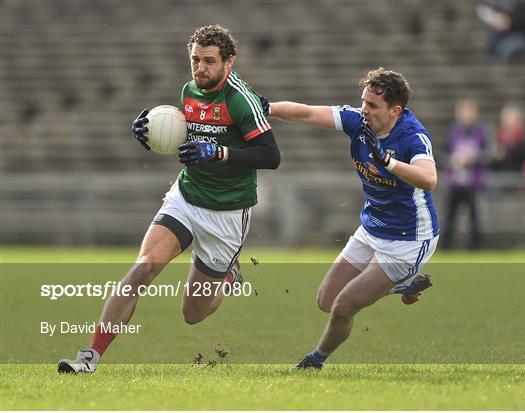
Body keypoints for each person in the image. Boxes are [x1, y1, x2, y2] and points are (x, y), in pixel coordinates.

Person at [58, 25, 280, 374]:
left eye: (209, 61)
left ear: (229, 62)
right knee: (142, 268)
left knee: (193, 314)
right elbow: (183, 135)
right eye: (195, 60)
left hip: (226, 214)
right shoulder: (189, 91)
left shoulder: (241, 99)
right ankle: (90, 356)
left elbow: (270, 156)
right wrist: (148, 130)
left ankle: (227, 277)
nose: (200, 68)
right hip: (187, 197)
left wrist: (219, 152)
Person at [260, 68, 439, 369]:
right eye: (363, 102)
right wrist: (266, 109)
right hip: (371, 229)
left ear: (395, 110)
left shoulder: (412, 137)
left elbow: (429, 178)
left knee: (344, 306)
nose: (363, 110)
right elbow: (306, 113)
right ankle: (401, 286)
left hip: (408, 240)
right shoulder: (358, 121)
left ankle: (315, 362)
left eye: (372, 105)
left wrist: (389, 162)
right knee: (326, 301)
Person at [441, 99, 488, 250]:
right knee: (449, 217)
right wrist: (453, 160)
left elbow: (489, 154)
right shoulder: (451, 132)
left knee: (475, 219)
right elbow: (441, 155)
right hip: (455, 182)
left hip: (474, 182)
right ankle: (445, 248)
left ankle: (475, 249)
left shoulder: (483, 132)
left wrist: (474, 158)